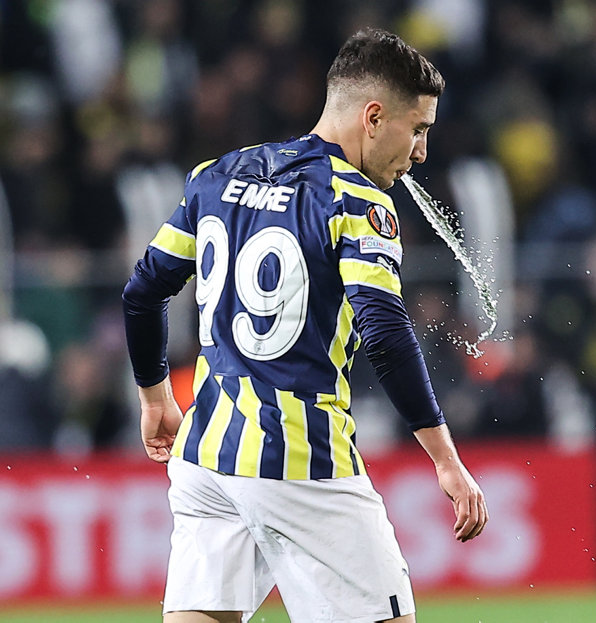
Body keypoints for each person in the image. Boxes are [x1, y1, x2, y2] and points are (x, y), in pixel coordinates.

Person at [122, 28, 488, 623]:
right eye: (418, 129)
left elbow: (142, 292)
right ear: (374, 117)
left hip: (205, 457)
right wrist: (445, 458)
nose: (421, 152)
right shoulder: (356, 200)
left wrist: (155, 398)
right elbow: (385, 333)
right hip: (300, 457)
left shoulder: (217, 176)